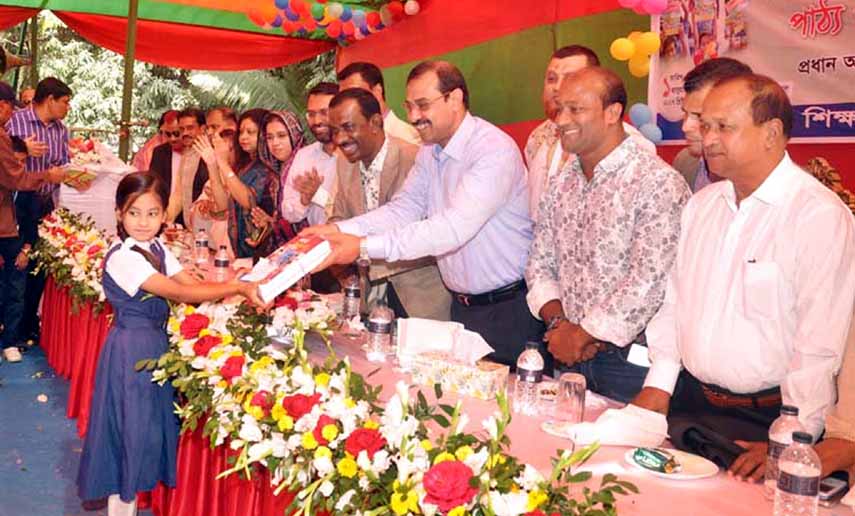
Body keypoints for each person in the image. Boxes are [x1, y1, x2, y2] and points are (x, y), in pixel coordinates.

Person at [631, 74, 855, 479]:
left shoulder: (817, 215)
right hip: (691, 410)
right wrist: (658, 385)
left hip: (766, 425)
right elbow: (674, 302)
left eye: (724, 127)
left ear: (771, 134)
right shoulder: (702, 206)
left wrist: (792, 441)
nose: (708, 138)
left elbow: (819, 344)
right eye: (705, 125)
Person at [306, 61, 539, 367]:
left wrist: (361, 246)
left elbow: (450, 229)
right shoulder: (432, 151)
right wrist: (338, 231)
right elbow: (405, 209)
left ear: (454, 99)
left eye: (423, 105)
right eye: (409, 106)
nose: (413, 116)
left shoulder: (492, 150)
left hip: (507, 311)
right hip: (460, 309)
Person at [77, 171, 264, 516]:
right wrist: (235, 288)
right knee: (128, 433)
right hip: (131, 352)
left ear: (164, 214)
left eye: (152, 213)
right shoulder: (123, 257)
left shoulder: (157, 247)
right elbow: (180, 292)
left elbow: (188, 280)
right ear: (119, 214)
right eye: (134, 213)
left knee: (144, 433)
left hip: (154, 347)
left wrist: (238, 280)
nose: (144, 222)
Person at [526, 66, 690, 403]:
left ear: (613, 112)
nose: (561, 120)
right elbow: (539, 262)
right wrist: (559, 325)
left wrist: (584, 334)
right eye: (560, 109)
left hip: (631, 365)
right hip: (566, 352)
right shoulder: (562, 183)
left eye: (576, 109)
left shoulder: (656, 182)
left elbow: (649, 281)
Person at [328, 88, 451, 320]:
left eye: (348, 127)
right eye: (335, 131)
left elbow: (432, 232)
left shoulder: (415, 158)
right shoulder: (344, 164)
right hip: (369, 298)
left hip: (420, 297)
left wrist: (358, 248)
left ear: (375, 123)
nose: (340, 139)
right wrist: (325, 242)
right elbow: (339, 217)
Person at [525, 45, 656, 221]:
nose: (558, 87)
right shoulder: (538, 137)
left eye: (572, 78)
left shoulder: (630, 145)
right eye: (551, 79)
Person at [0, 81, 65, 363]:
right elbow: (16, 178)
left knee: (18, 282)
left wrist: (27, 244)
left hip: (22, 214)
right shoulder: (7, 132)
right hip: (10, 211)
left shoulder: (60, 131)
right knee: (14, 283)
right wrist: (45, 176)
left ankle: (14, 335)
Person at [198, 108, 280, 260]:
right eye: (241, 132)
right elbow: (223, 206)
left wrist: (222, 162)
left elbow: (249, 201)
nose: (243, 137)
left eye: (250, 132)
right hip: (241, 248)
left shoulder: (267, 167)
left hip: (267, 250)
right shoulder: (245, 165)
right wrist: (212, 164)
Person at [671, 58, 752, 192]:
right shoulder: (684, 162)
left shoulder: (785, 189)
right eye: (685, 113)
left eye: (699, 116)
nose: (685, 127)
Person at [281, 82, 339, 227]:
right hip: (318, 241)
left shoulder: (356, 156)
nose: (317, 121)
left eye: (324, 113)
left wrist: (317, 195)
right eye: (311, 114)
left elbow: (358, 212)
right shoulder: (304, 156)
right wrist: (304, 200)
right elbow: (287, 212)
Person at [149, 108, 210, 228]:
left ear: (202, 129)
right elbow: (178, 195)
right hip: (193, 227)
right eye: (182, 129)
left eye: (190, 128)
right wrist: (163, 221)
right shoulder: (188, 153)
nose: (185, 133)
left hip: (212, 227)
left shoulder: (213, 151)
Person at [337, 62, 421, 146]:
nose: (347, 104)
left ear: (377, 91)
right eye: (342, 97)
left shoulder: (407, 138)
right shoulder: (349, 142)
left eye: (353, 93)